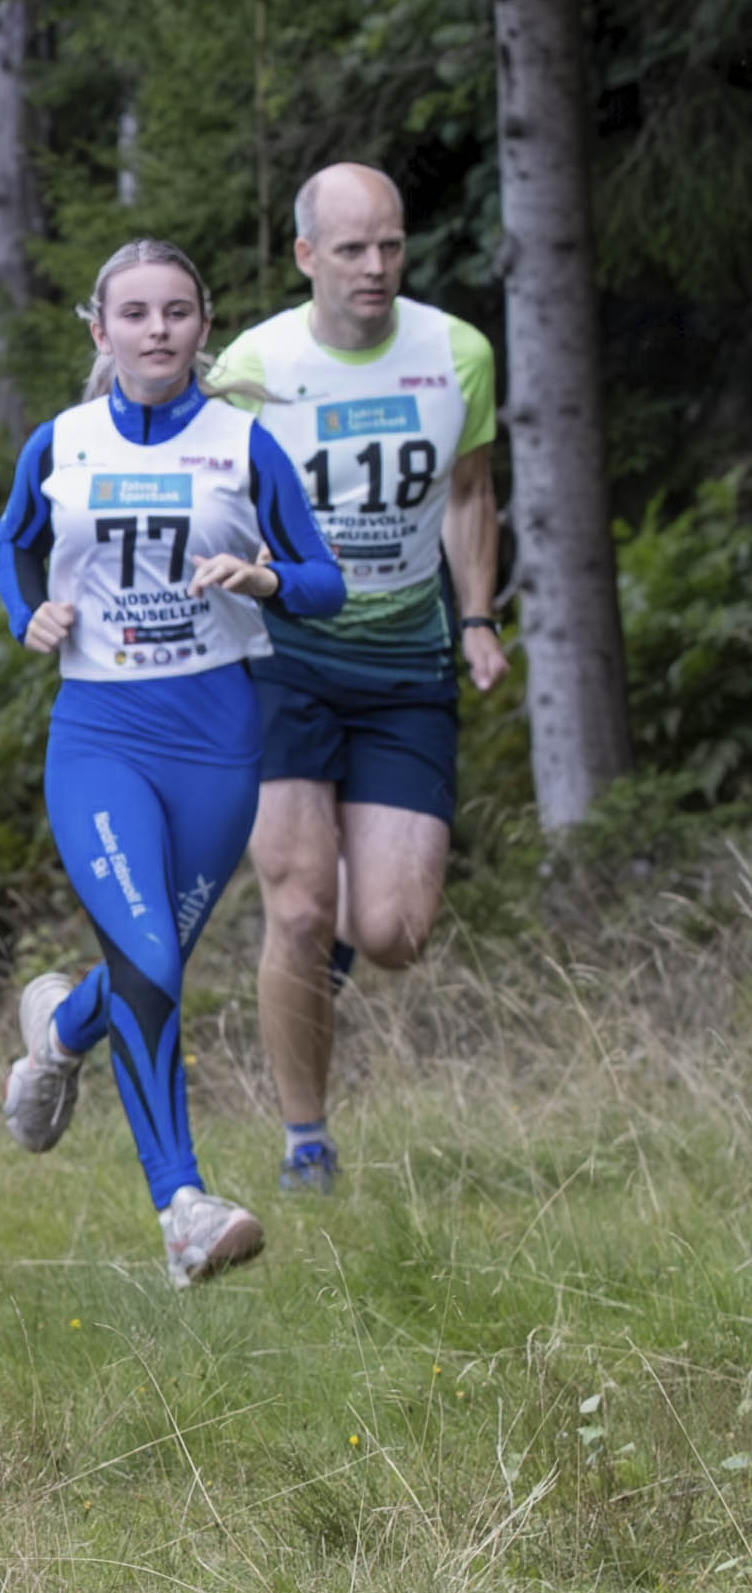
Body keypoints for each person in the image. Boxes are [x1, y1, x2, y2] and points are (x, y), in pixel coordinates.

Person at [0, 240, 344, 1289]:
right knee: (146, 957)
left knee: (153, 965)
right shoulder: (59, 441)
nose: (155, 331)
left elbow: (325, 581)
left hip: (218, 743)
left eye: (176, 312)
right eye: (133, 314)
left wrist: (266, 578)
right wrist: (30, 616)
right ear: (98, 330)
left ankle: (57, 1029)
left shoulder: (244, 446)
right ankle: (181, 1206)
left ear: (201, 326)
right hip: (98, 736)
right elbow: (10, 547)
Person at [210, 164, 508, 1196]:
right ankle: (304, 1143)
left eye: (388, 244)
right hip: (280, 655)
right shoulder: (252, 364)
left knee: (389, 930)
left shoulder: (455, 352)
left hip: (402, 662)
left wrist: (474, 615)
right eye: (349, 249)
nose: (374, 267)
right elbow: (200, 494)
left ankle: (304, 985)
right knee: (295, 904)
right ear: (304, 257)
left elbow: (470, 492)